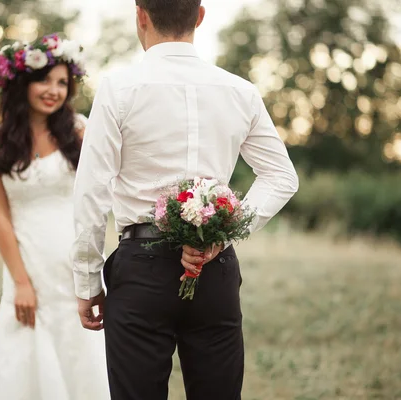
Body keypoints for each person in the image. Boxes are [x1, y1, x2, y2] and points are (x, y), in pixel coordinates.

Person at [72, 1, 299, 399]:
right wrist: (221, 232)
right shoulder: (240, 91)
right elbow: (281, 176)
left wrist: (88, 281)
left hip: (140, 270)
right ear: (200, 15)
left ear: (140, 16)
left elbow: (91, 192)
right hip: (215, 271)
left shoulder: (118, 88)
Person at [0, 33, 109, 399]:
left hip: (74, 261)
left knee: (82, 352)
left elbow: (99, 198)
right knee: (23, 349)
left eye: (63, 82)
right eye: (44, 80)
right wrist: (20, 282)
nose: (54, 90)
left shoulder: (78, 131)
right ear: (22, 83)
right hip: (27, 263)